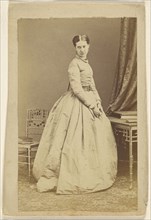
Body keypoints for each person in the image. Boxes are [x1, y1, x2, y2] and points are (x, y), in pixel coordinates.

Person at [32, 35, 117, 194]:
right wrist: (92, 105)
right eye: (78, 47)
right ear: (75, 48)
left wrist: (98, 102)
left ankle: (90, 173)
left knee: (95, 139)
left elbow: (92, 86)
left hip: (89, 100)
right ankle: (65, 176)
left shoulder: (87, 64)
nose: (82, 50)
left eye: (84, 46)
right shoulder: (74, 64)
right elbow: (77, 89)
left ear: (89, 47)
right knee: (72, 139)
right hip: (76, 103)